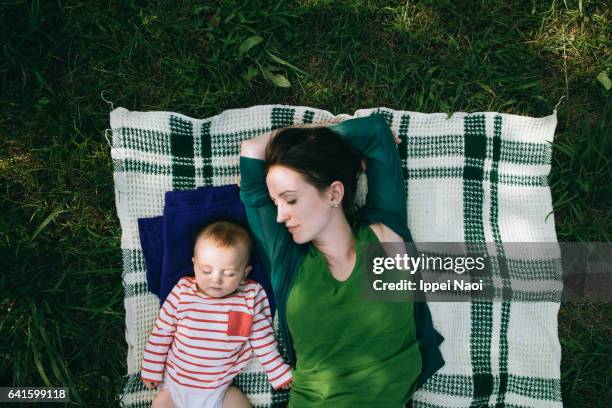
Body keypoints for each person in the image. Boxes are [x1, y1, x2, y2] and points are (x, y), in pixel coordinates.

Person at [239, 114, 444, 407]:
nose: (280, 216)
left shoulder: (384, 235)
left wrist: (317, 143)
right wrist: (312, 136)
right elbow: (251, 150)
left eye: (291, 199)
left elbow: (374, 132)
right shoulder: (288, 261)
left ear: (334, 192)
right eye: (275, 203)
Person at [141, 220, 292, 408]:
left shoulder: (248, 298)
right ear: (194, 264)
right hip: (174, 389)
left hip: (219, 390)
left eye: (229, 273)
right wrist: (151, 368)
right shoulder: (183, 292)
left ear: (245, 273)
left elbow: (262, 338)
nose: (216, 279)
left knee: (237, 401)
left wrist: (277, 371)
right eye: (206, 270)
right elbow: (162, 331)